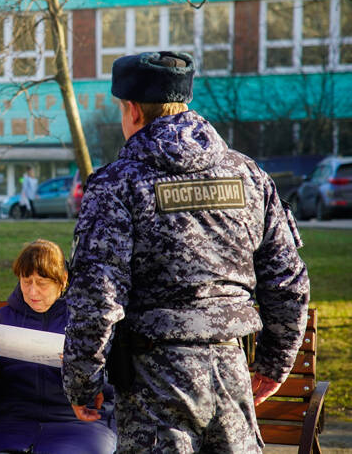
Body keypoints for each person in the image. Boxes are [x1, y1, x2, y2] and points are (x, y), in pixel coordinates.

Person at [61, 51, 310, 453]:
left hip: (155, 385)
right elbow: (288, 283)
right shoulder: (249, 175)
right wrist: (274, 364)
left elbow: (96, 299)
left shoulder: (116, 184)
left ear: (132, 111)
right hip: (232, 372)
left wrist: (82, 383)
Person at [0, 239, 116, 454]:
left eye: (42, 283)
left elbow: (112, 388)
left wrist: (82, 372)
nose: (32, 292)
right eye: (26, 281)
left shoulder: (86, 321)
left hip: (78, 423)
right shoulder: (2, 319)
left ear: (62, 281)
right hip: (14, 422)